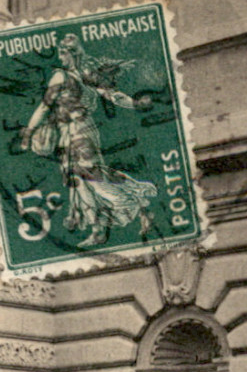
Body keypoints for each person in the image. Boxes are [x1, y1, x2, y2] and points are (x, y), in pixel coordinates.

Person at [18, 32, 158, 248]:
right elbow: (113, 96)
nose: (61, 57)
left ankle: (137, 204)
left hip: (77, 133)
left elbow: (45, 106)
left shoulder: (62, 77)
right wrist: (135, 104)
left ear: (71, 54)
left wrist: (28, 131)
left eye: (63, 53)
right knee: (82, 181)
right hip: (75, 132)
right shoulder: (85, 75)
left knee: (89, 177)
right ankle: (99, 228)